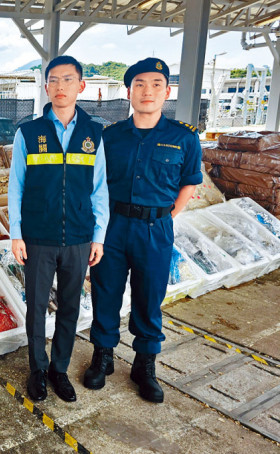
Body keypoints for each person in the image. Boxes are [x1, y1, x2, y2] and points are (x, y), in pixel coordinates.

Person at [84, 57, 202, 403]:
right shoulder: (111, 137)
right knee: (105, 292)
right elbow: (96, 185)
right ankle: (102, 356)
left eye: (154, 84)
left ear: (167, 91)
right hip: (114, 226)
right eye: (139, 84)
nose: (146, 91)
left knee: (149, 297)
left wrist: (168, 215)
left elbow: (189, 182)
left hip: (155, 229)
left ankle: (144, 364)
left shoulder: (184, 138)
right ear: (129, 91)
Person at [8, 55, 109, 402]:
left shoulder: (94, 134)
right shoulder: (29, 132)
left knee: (70, 307)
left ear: (81, 86)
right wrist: (16, 233)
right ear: (46, 86)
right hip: (38, 236)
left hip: (79, 237)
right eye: (53, 80)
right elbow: (15, 187)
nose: (60, 86)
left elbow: (99, 190)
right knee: (36, 307)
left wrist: (99, 236)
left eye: (68, 79)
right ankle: (37, 369)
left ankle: (58, 369)